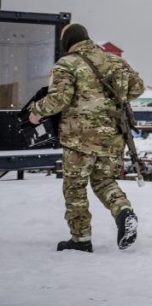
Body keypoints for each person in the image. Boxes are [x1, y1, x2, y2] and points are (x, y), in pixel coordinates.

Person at [29, 23, 145, 252]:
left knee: (75, 188)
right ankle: (124, 211)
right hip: (113, 136)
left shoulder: (66, 64)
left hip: (79, 138)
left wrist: (35, 112)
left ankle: (80, 239)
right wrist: (111, 100)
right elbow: (138, 88)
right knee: (104, 181)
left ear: (68, 42)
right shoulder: (116, 61)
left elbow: (59, 99)